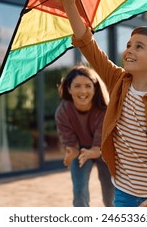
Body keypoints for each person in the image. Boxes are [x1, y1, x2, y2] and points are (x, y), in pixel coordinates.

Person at [59, 0, 147, 207]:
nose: (129, 50)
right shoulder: (118, 81)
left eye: (139, 46)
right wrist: (70, 5)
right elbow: (88, 45)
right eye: (129, 45)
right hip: (124, 192)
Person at [55, 64, 114, 207]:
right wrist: (71, 152)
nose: (83, 91)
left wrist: (92, 152)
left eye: (88, 86)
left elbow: (98, 147)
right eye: (77, 86)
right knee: (79, 194)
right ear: (69, 88)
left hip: (105, 150)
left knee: (110, 198)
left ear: (95, 88)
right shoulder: (63, 112)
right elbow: (72, 146)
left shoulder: (105, 110)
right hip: (81, 152)